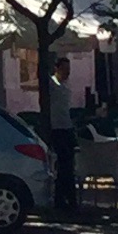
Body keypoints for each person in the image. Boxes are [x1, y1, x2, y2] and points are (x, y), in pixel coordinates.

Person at [45, 55, 77, 216]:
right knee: (63, 166)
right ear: (57, 68)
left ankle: (68, 199)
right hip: (56, 128)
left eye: (69, 69)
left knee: (69, 166)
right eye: (64, 69)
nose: (67, 72)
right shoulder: (52, 84)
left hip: (67, 127)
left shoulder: (66, 85)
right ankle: (62, 199)